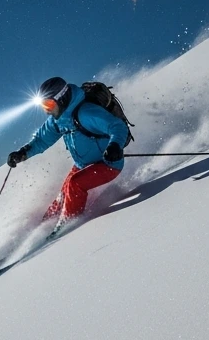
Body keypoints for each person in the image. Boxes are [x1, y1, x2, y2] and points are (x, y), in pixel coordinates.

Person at [7, 76, 130, 231]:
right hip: (83, 165)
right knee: (64, 193)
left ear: (62, 98)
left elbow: (117, 126)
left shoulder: (87, 113)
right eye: (43, 106)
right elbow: (41, 140)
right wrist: (22, 153)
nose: (47, 110)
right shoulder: (58, 120)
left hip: (108, 163)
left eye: (49, 104)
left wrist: (115, 146)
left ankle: (66, 227)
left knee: (75, 184)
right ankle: (43, 226)